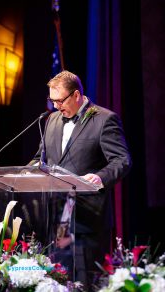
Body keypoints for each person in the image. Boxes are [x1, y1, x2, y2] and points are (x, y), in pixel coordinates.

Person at [30, 70, 132, 289]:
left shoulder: (105, 119)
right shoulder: (51, 121)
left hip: (87, 218)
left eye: (59, 100)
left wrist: (99, 177)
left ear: (76, 95)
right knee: (56, 281)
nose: (55, 106)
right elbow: (41, 159)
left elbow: (121, 160)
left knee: (86, 283)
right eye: (51, 100)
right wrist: (26, 172)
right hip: (55, 218)